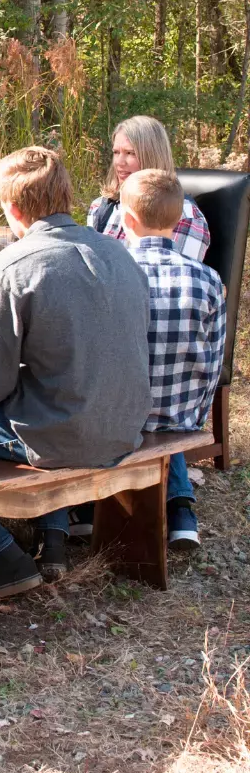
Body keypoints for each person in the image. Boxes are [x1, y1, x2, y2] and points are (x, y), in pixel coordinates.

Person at [0, 147, 152, 600]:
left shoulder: (13, 265)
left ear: (12, 208)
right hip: (127, 424)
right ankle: (50, 533)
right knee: (47, 395)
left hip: (67, 432)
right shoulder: (121, 254)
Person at [120, 170, 226, 550]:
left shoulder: (113, 273)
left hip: (121, 417)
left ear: (126, 220)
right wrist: (194, 416)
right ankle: (181, 512)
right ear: (180, 220)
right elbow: (214, 360)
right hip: (179, 417)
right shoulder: (210, 279)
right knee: (162, 417)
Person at [88, 115, 209, 261]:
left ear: (152, 155)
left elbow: (180, 276)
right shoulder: (100, 207)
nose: (119, 162)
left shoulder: (186, 215)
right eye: (116, 152)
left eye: (130, 153)